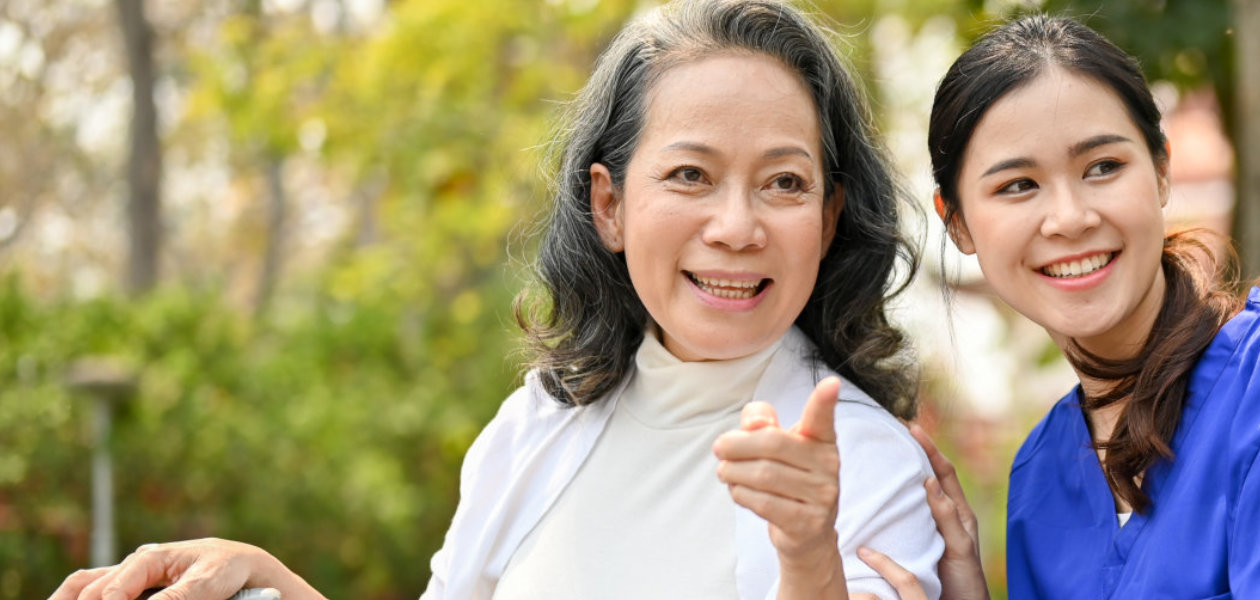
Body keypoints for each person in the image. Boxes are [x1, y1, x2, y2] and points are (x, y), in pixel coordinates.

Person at [49, 1, 943, 599]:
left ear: (828, 220)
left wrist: (807, 557)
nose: (737, 225)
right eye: (690, 175)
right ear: (610, 205)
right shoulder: (538, 425)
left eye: (783, 184)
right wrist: (274, 582)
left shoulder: (867, 470)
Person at [852, 14, 1260, 599]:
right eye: (1018, 186)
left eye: (1102, 166)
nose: (1070, 218)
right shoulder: (1044, 479)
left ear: (1160, 171)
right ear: (958, 223)